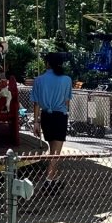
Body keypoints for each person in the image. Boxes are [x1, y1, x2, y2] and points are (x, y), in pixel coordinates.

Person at [31, 52, 74, 189]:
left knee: (52, 149)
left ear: (48, 63)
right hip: (60, 115)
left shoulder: (39, 80)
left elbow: (36, 103)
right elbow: (67, 102)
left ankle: (55, 178)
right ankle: (49, 179)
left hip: (46, 117)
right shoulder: (66, 80)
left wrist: (36, 122)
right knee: (56, 151)